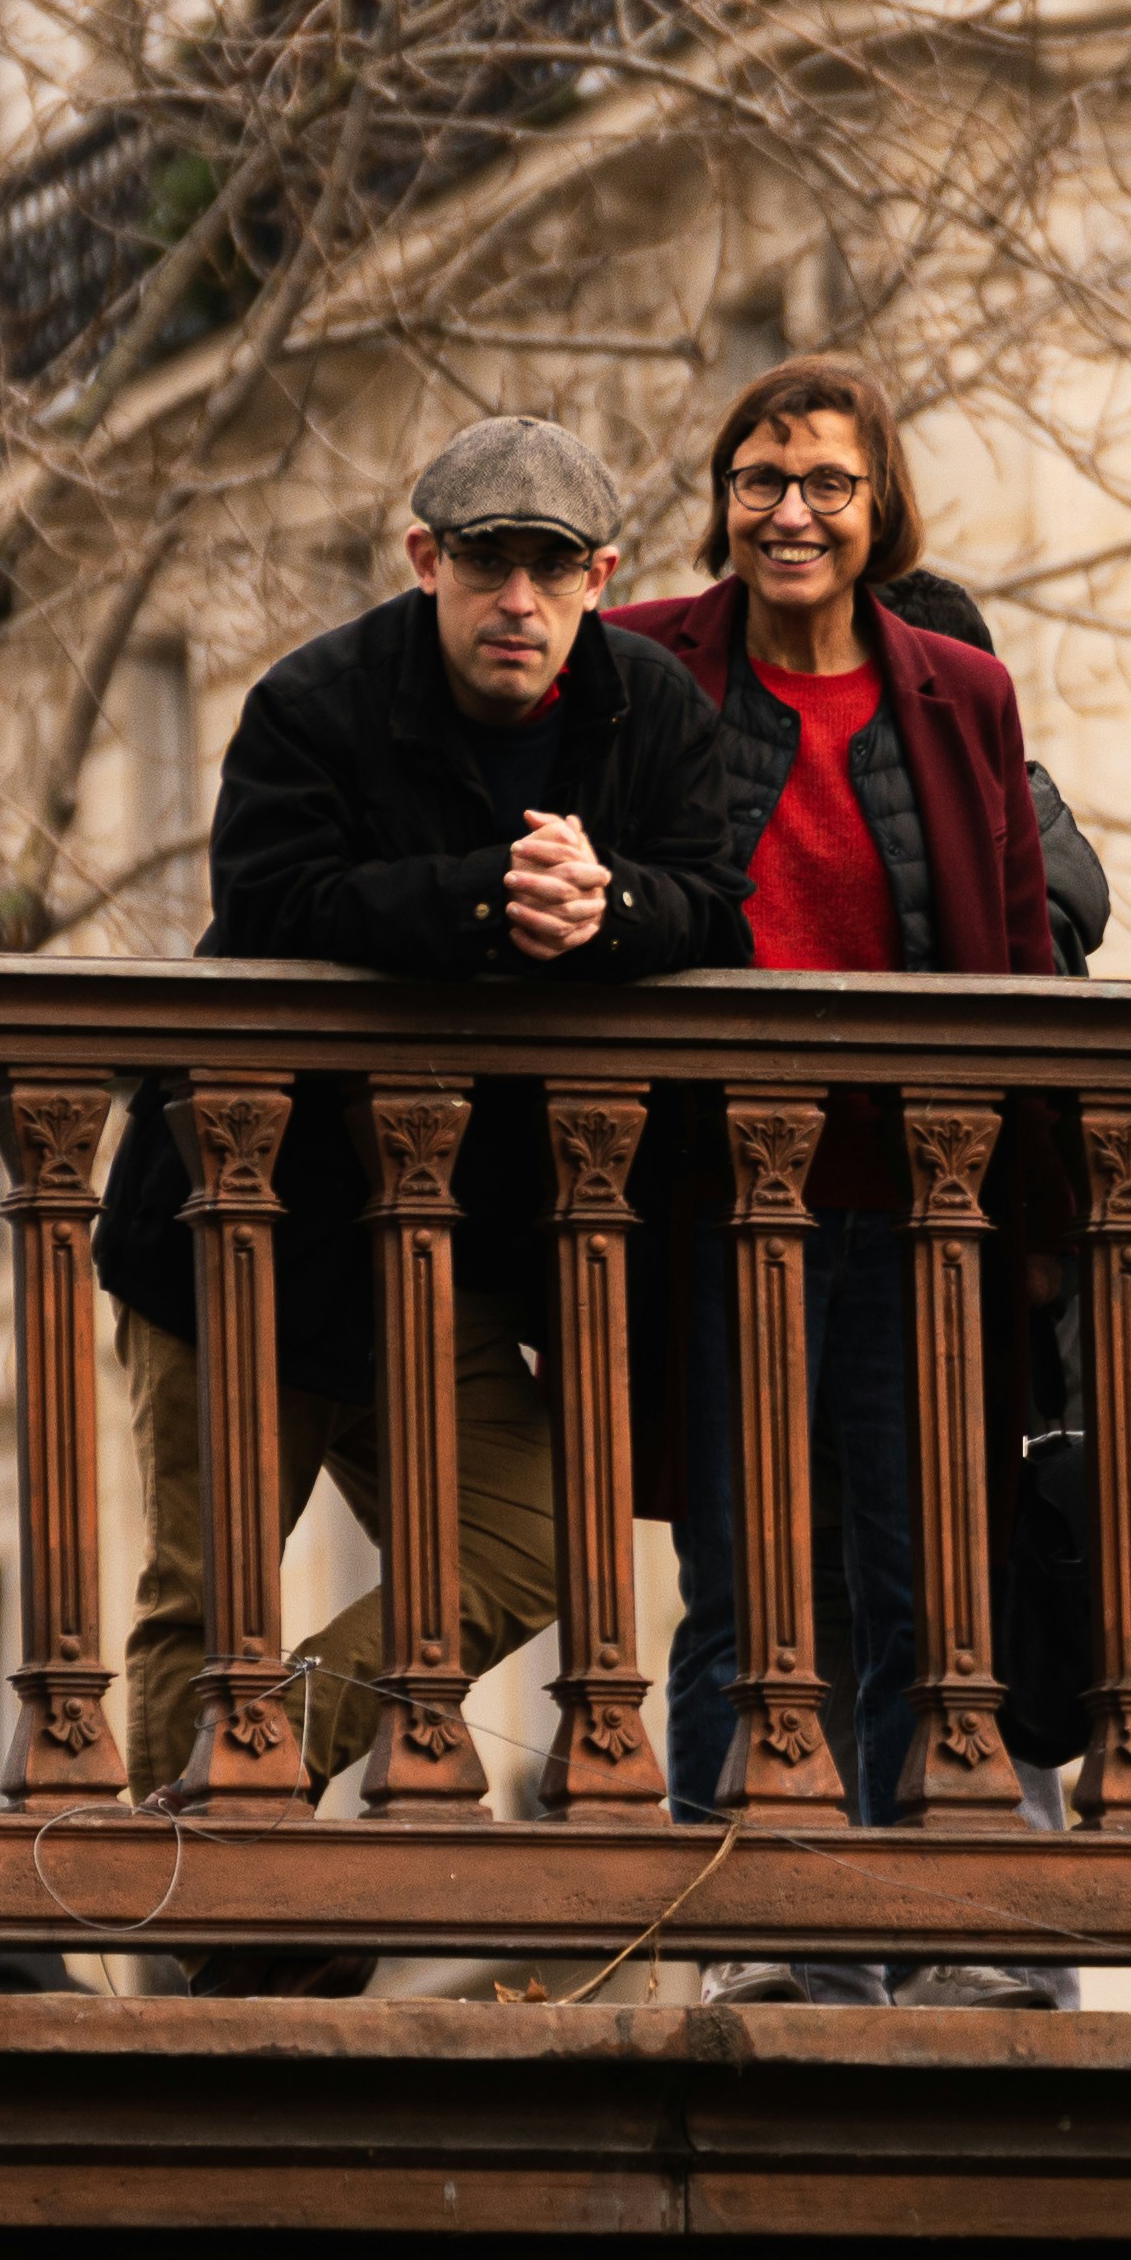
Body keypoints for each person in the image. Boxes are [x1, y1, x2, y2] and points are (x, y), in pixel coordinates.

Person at [89, 414, 746, 1990]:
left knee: (550, 1544)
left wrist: (611, 909)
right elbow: (273, 901)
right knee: (205, 1587)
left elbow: (711, 900)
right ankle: (212, 1941)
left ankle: (266, 1762)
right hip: (237, 1231)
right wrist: (488, 896)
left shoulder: (652, 711)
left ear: (602, 579)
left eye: (550, 569)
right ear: (425, 564)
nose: (516, 600)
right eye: (485, 564)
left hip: (449, 1257)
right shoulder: (315, 701)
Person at [604, 356, 1087, 2010]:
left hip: (915, 1202)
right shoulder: (642, 664)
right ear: (720, 499)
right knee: (747, 1574)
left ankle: (901, 1935)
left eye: (825, 483)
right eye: (759, 479)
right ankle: (750, 1941)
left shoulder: (958, 687)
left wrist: (1033, 1223)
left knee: (915, 1575)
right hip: (710, 1199)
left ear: (881, 509)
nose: (790, 512)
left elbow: (1017, 942)